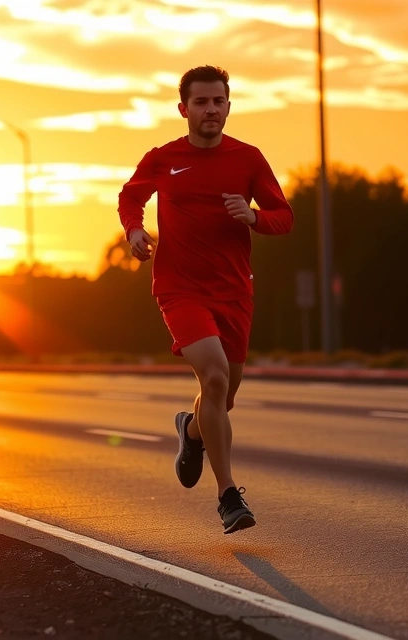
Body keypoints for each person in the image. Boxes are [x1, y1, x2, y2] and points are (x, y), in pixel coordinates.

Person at [117, 65, 294, 534]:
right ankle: (228, 497)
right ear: (184, 109)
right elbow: (130, 197)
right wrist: (134, 231)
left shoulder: (249, 159)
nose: (210, 109)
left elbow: (284, 217)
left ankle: (191, 429)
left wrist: (253, 217)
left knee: (224, 396)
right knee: (213, 376)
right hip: (180, 289)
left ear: (229, 107)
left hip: (235, 291)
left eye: (218, 101)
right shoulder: (163, 157)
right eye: (201, 102)